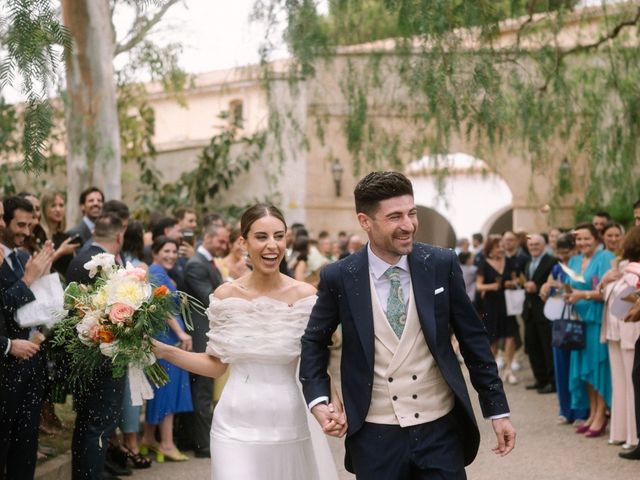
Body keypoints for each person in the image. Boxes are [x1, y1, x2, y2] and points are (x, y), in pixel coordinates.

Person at [300, 172, 515, 479]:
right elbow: (314, 341)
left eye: (412, 213)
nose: (408, 225)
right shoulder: (340, 276)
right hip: (375, 434)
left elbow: (473, 338)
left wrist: (497, 410)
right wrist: (319, 400)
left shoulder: (441, 263)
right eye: (395, 217)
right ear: (365, 221)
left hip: (440, 429)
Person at [153, 204, 340, 479]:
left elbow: (316, 362)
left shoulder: (305, 296)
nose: (272, 245)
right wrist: (165, 351)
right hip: (233, 424)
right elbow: (216, 365)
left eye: (279, 236)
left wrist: (331, 402)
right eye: (262, 237)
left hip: (289, 422)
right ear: (244, 242)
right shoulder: (226, 296)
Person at [66, 213, 127, 480]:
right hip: (99, 357)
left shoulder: (80, 258)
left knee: (87, 423)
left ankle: (86, 473)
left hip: (84, 357)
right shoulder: (102, 265)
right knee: (98, 425)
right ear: (119, 236)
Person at [0, 196, 55, 480]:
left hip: (30, 367)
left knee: (25, 446)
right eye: (19, 224)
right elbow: (5, 307)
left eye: (30, 224)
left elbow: (29, 310)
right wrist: (27, 281)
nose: (26, 231)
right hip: (6, 368)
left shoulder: (21, 257)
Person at [178, 222, 229, 458]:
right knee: (202, 391)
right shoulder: (196, 264)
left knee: (204, 391)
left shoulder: (206, 262)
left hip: (208, 332)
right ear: (207, 238)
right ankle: (202, 444)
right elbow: (211, 299)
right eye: (220, 241)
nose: (224, 245)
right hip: (200, 335)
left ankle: (198, 439)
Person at [140, 237, 193, 462]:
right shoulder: (157, 272)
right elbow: (163, 309)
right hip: (166, 338)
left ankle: (149, 439)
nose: (171, 255)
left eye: (174, 251)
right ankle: (167, 444)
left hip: (165, 337)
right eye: (166, 251)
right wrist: (181, 333)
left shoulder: (157, 271)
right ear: (155, 252)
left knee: (160, 389)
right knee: (166, 391)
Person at [564, 222, 615, 438]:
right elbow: (569, 285)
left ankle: (601, 415)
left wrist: (582, 295)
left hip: (596, 319)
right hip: (578, 321)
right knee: (584, 370)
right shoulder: (575, 260)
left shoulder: (605, 258)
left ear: (596, 238)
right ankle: (592, 412)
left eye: (586, 238)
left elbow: (606, 292)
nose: (582, 243)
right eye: (578, 239)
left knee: (597, 367)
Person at [540, 233, 588, 425]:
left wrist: (561, 288)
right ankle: (565, 409)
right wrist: (546, 289)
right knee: (561, 366)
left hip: (579, 317)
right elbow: (549, 288)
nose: (563, 258)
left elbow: (579, 287)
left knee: (577, 366)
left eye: (567, 253)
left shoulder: (580, 265)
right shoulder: (556, 267)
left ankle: (581, 410)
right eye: (560, 254)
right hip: (559, 320)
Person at [600, 226, 640, 451]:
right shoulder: (621, 267)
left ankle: (634, 436)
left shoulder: (634, 271)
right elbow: (605, 292)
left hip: (631, 329)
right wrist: (609, 277)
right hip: (614, 328)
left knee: (633, 384)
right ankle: (620, 431)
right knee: (620, 383)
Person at [476, 236, 520, 385]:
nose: (500, 249)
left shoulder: (509, 261)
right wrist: (492, 287)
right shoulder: (484, 264)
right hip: (490, 305)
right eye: (497, 247)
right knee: (492, 339)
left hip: (507, 303)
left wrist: (510, 283)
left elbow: (516, 280)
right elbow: (479, 286)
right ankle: (493, 371)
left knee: (510, 336)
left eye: (501, 246)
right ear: (490, 249)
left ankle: (509, 370)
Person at [522, 234, 557, 394]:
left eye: (537, 244)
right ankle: (540, 379)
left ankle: (551, 382)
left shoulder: (551, 261)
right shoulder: (529, 262)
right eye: (531, 245)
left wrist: (537, 287)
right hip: (529, 311)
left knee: (546, 347)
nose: (534, 247)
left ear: (543, 245)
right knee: (533, 346)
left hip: (544, 311)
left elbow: (553, 283)